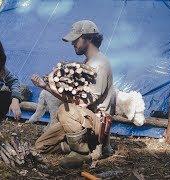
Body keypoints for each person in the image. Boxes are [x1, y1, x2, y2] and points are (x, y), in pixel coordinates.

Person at [31, 20, 116, 168]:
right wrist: (46, 86)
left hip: (96, 122)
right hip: (81, 119)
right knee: (40, 145)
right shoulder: (89, 62)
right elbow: (75, 98)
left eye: (76, 39)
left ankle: (82, 152)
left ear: (88, 38)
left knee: (64, 109)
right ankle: (81, 146)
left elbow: (83, 102)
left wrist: (52, 88)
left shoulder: (99, 64)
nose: (72, 43)